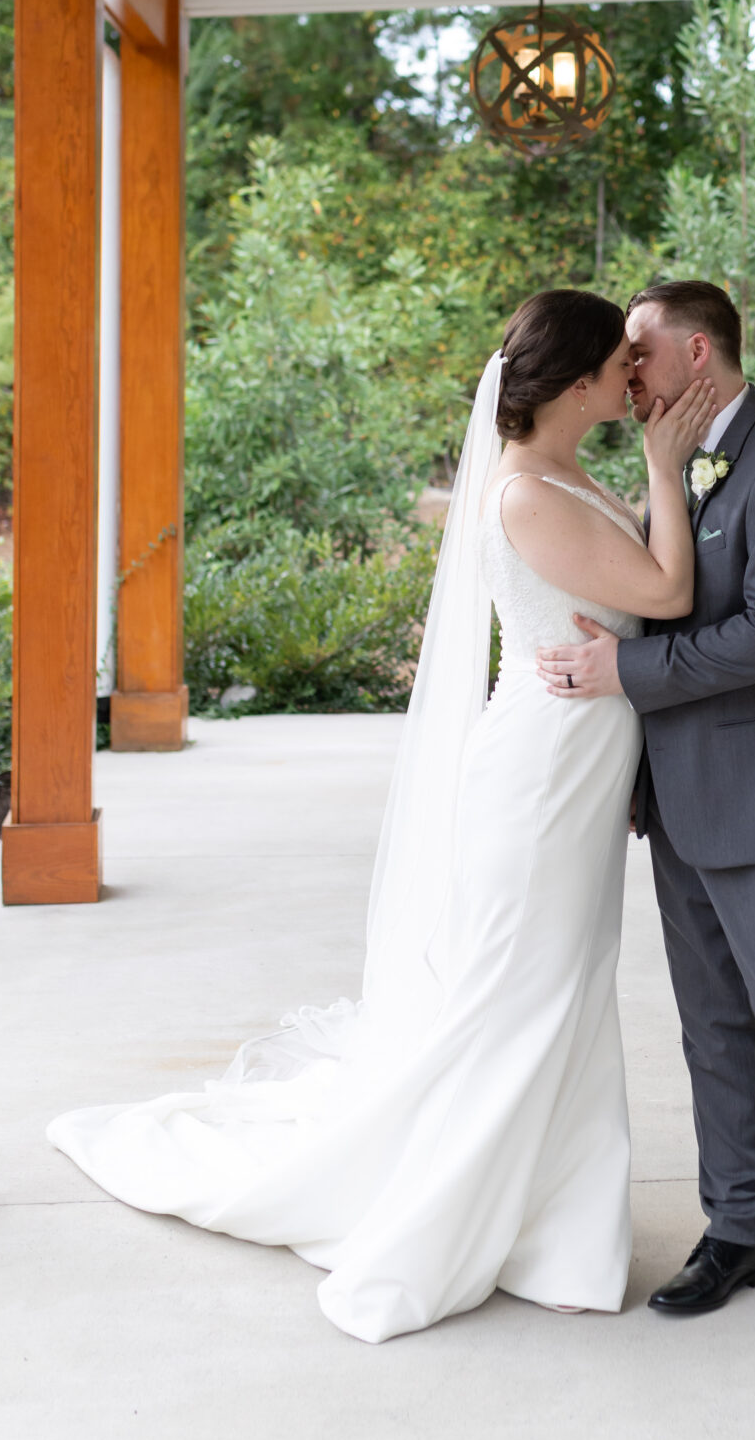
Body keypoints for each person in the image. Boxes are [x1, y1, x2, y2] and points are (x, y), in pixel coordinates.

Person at [49, 290, 716, 1344]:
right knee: (520, 998)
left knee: (567, 989)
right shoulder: (523, 496)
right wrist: (669, 472)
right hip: (540, 781)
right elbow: (670, 593)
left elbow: (640, 591)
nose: (633, 380)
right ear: (579, 380)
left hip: (580, 772)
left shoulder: (568, 472)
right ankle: (450, 1221)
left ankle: (554, 1228)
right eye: (619, 366)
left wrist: (644, 493)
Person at [538, 279, 755, 1346]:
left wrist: (627, 671)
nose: (624, 372)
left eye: (637, 352)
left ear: (699, 352)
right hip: (681, 802)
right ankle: (738, 1226)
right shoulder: (676, 464)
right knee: (713, 1027)